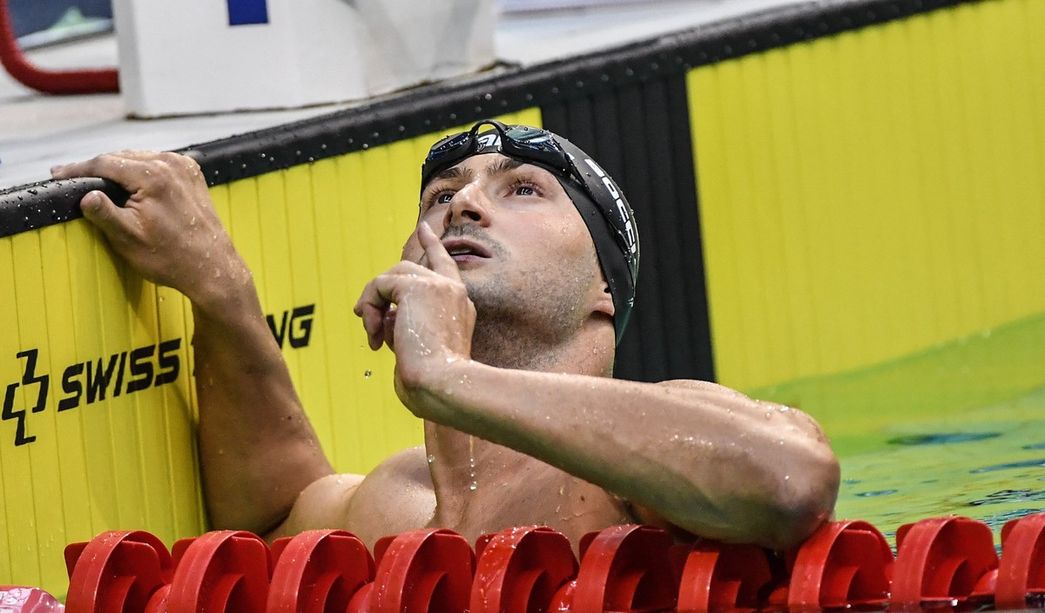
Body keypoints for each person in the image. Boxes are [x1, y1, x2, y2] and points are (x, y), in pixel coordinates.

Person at [51, 120, 839, 551]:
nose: (462, 206)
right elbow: (268, 519)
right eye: (440, 196)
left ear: (606, 288)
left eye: (522, 190)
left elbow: (788, 480)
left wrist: (445, 377)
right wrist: (221, 291)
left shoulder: (637, 467)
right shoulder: (388, 503)